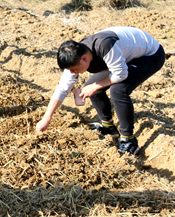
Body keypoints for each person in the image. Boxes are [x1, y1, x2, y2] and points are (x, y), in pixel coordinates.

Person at [36, 27, 166, 155]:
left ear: (84, 59)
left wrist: (95, 86)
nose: (72, 73)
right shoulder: (75, 55)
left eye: (74, 70)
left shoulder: (105, 47)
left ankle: (129, 140)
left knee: (118, 90)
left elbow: (121, 74)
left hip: (150, 56)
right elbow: (63, 88)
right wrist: (46, 119)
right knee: (92, 86)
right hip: (123, 56)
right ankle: (108, 127)